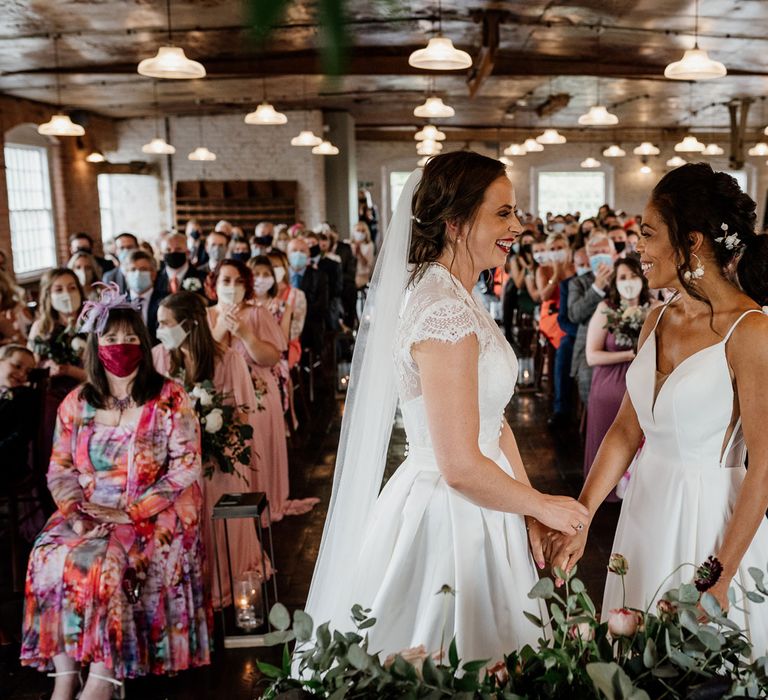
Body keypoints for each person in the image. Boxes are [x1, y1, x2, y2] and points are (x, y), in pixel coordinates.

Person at [305, 151, 588, 663]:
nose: (518, 226)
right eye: (502, 213)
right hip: (453, 515)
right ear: (456, 223)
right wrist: (544, 505)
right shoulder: (442, 310)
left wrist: (525, 510)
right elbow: (457, 465)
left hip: (491, 499)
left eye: (515, 212)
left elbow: (492, 420)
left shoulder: (458, 294)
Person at [548, 163, 768, 656]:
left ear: (690, 242)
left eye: (648, 235)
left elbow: (765, 468)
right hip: (646, 508)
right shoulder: (656, 317)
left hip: (710, 520)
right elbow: (626, 431)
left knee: (698, 665)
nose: (638, 249)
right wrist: (580, 519)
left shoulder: (751, 332)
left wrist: (720, 574)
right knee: (635, 656)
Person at [21, 285, 211, 697]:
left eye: (129, 338)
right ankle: (66, 671)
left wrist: (132, 512)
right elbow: (60, 468)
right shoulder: (76, 403)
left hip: (154, 508)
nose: (120, 346)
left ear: (143, 344)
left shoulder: (169, 397)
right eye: (110, 339)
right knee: (47, 554)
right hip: (91, 508)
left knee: (106, 564)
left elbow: (186, 465)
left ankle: (105, 676)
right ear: (96, 344)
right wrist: (75, 513)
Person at [152, 291, 269, 605]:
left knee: (215, 508)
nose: (159, 330)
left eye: (165, 323)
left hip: (215, 458)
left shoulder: (227, 360)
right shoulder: (159, 357)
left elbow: (241, 413)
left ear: (189, 325)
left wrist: (208, 439)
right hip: (173, 463)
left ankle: (222, 580)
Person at [207, 259, 316, 522]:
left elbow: (272, 357)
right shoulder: (207, 315)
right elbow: (205, 359)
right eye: (226, 281)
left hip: (256, 390)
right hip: (221, 391)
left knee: (256, 446)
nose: (232, 287)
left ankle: (262, 501)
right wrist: (222, 326)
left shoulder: (258, 313)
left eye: (239, 281)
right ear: (214, 284)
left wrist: (246, 334)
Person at [583, 256, 656, 498]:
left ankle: (637, 488)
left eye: (633, 276)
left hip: (644, 385)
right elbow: (592, 356)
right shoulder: (606, 308)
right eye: (623, 277)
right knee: (609, 436)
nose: (629, 282)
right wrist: (629, 354)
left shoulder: (654, 308)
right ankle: (603, 490)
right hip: (610, 382)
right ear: (614, 282)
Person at [28, 269, 88, 467]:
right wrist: (47, 366)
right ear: (48, 294)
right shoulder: (42, 327)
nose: (66, 294)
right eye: (59, 289)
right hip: (52, 396)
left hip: (85, 395)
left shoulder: (91, 324)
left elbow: (102, 374)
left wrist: (70, 370)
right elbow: (31, 368)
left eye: (72, 288)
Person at [567, 233, 617, 404]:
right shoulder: (579, 283)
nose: (599, 256)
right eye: (594, 253)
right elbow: (574, 315)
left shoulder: (624, 276)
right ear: (589, 258)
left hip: (621, 343)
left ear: (613, 254)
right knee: (588, 379)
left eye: (603, 251)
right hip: (590, 349)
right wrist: (597, 288)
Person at [249, 256, 291, 415]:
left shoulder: (282, 306)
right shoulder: (243, 305)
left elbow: (283, 341)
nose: (261, 278)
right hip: (247, 357)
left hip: (274, 359)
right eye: (256, 274)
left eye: (266, 274)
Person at [287, 237, 328, 357]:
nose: (298, 254)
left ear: (308, 254)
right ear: (287, 254)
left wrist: (297, 314)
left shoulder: (319, 276)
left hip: (309, 325)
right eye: (294, 250)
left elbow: (321, 306)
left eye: (302, 251)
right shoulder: (280, 276)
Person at [123, 250, 164, 343]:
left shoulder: (165, 300)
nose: (137, 274)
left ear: (154, 274)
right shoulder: (119, 302)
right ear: (126, 275)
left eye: (143, 269)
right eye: (133, 269)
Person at [350, 221, 375, 290]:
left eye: (363, 231)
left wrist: (359, 253)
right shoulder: (349, 244)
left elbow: (368, 264)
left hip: (363, 275)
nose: (360, 233)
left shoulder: (369, 245)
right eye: (358, 230)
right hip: (351, 274)